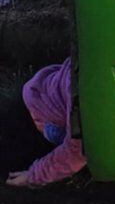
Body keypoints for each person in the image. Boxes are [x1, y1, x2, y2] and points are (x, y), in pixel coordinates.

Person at [5, 58, 86, 187]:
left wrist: (32, 176)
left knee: (57, 135)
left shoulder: (81, 94)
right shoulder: (76, 67)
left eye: (36, 119)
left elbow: (77, 151)